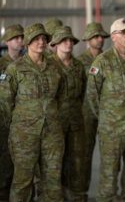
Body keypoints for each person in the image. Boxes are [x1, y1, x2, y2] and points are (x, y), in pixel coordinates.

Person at [0, 23, 64, 202]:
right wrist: (18, 126)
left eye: (44, 38)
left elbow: (60, 97)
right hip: (24, 135)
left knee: (52, 182)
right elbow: (5, 103)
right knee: (23, 182)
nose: (41, 42)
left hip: (52, 134)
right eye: (36, 39)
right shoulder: (15, 69)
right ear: (28, 42)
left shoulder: (54, 68)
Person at [85, 18, 125, 202]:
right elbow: (92, 95)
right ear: (113, 36)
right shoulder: (102, 62)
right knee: (109, 174)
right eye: (124, 32)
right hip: (112, 130)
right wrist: (107, 118)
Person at [50, 26, 88, 202]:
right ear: (56, 44)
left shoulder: (79, 66)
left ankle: (76, 195)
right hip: (55, 123)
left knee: (77, 161)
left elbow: (83, 93)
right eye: (64, 40)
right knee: (55, 161)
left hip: (75, 121)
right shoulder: (48, 65)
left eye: (71, 40)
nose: (68, 43)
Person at [78, 22, 109, 195]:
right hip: (87, 113)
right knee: (85, 155)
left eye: (101, 37)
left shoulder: (107, 59)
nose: (100, 40)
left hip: (107, 113)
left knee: (109, 155)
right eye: (96, 37)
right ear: (88, 39)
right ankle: (81, 192)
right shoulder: (80, 62)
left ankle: (106, 193)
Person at [0, 24, 24, 202]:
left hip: (25, 121)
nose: (20, 40)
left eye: (22, 37)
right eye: (16, 38)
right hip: (4, 122)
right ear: (7, 41)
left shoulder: (27, 63)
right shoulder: (2, 65)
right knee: (5, 166)